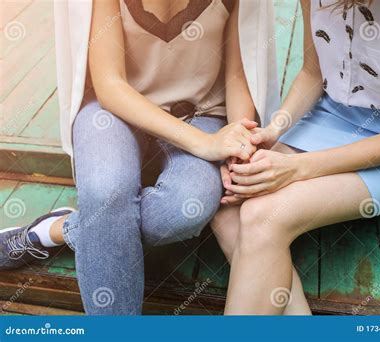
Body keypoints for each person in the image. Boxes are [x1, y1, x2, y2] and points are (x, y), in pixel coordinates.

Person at [0, 0, 279, 315]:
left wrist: (238, 143)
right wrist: (204, 144)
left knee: (186, 209)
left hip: (200, 112)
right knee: (106, 191)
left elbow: (239, 76)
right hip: (114, 112)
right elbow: (109, 84)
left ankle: (59, 229)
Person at [211, 0, 380, 314]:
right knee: (230, 200)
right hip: (329, 116)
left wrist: (296, 168)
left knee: (264, 216)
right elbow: (311, 73)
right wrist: (274, 129)